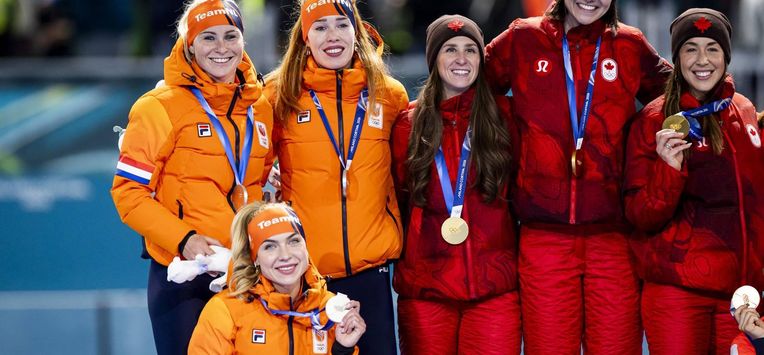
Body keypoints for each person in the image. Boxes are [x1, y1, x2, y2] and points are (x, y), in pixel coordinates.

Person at [483, 0, 673, 353]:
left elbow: (678, 93)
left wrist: (734, 107)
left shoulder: (629, 45)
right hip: (544, 238)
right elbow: (469, 84)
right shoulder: (523, 38)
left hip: (614, 237)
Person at [111, 1, 273, 353]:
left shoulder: (260, 107)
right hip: (184, 275)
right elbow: (128, 193)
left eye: (231, 36)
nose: (221, 47)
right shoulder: (158, 107)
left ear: (243, 41)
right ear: (189, 44)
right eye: (208, 38)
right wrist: (184, 240)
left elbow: (261, 183)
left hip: (245, 272)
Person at [264, 1, 409, 354]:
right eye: (320, 27)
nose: (333, 36)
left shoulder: (389, 96)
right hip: (305, 277)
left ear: (356, 32)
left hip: (372, 273)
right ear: (304, 38)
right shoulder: (277, 95)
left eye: (341, 25)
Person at [624, 8, 764, 354]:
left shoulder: (744, 110)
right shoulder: (654, 121)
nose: (703, 60)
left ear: (726, 57)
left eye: (712, 49)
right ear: (677, 57)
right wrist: (668, 170)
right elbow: (641, 216)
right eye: (691, 48)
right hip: (678, 296)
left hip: (741, 297)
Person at [390, 15, 521, 355]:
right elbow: (398, 198)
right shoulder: (408, 124)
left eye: (471, 50)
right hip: (426, 292)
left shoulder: (504, 117)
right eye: (450, 50)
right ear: (434, 59)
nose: (462, 59)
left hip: (494, 290)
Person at [188, 202, 365, 354]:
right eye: (270, 247)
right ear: (254, 258)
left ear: (306, 247)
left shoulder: (329, 310)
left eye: (293, 241)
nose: (285, 255)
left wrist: (343, 350)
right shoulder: (225, 310)